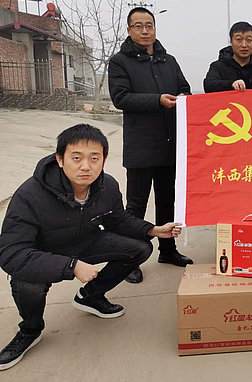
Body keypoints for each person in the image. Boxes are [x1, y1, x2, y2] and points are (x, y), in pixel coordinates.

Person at [0, 124, 182, 370]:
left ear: (104, 160)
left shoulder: (107, 185)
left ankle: (90, 296)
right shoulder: (29, 194)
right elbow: (12, 253)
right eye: (76, 158)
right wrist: (71, 266)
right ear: (60, 159)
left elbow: (117, 219)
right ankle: (30, 330)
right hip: (45, 252)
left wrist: (153, 230)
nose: (85, 166)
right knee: (26, 281)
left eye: (94, 158)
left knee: (140, 248)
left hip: (87, 241)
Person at [108, 7, 193, 284]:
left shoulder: (169, 61)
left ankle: (168, 250)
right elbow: (121, 98)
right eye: (139, 26)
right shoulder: (120, 62)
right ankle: (130, 259)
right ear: (129, 30)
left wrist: (184, 97)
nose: (145, 31)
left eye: (150, 25)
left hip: (169, 146)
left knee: (167, 203)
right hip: (141, 148)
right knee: (136, 207)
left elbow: (184, 88)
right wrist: (158, 100)